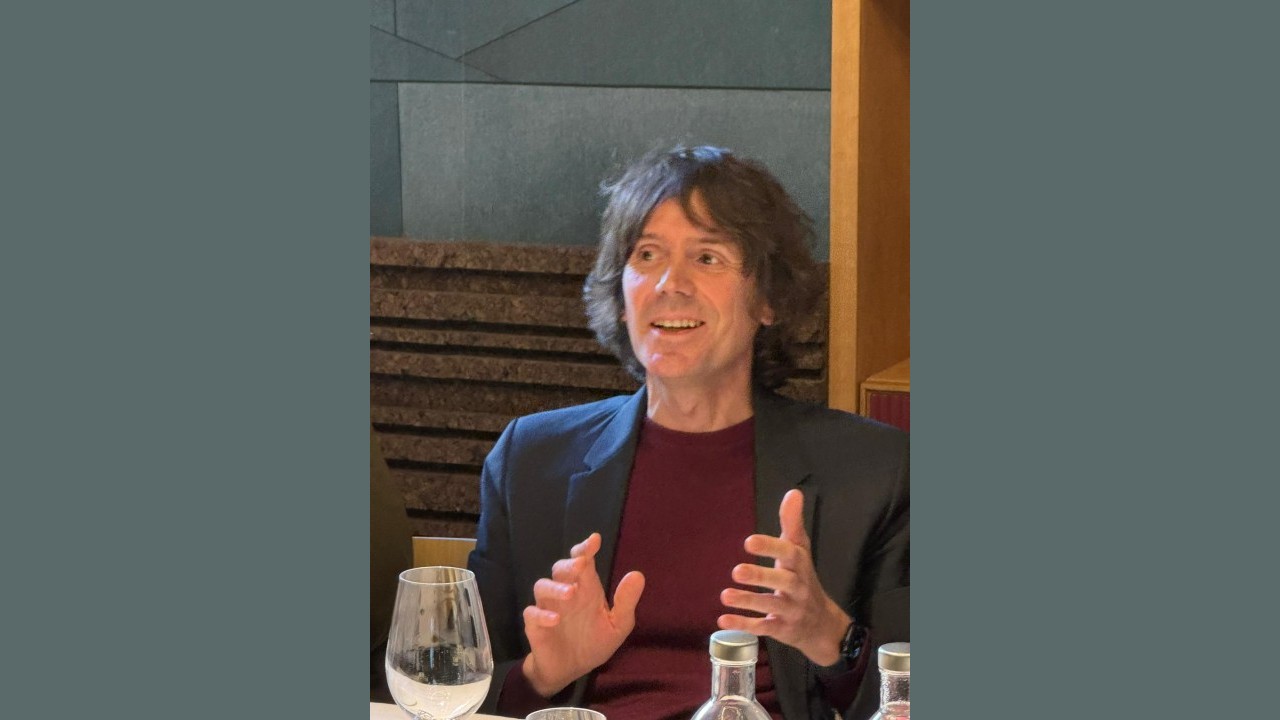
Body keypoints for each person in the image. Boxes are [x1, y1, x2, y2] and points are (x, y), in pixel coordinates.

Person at [469, 146, 909, 720]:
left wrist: (828, 634)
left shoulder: (875, 471)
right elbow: (451, 685)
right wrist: (543, 674)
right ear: (621, 295)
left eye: (707, 257)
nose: (669, 284)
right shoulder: (532, 460)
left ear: (768, 299)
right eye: (647, 254)